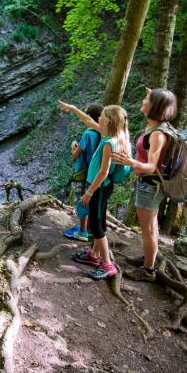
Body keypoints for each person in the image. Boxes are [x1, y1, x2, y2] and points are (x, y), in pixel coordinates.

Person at [59, 101, 132, 280]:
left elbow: (103, 171)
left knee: (96, 227)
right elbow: (88, 121)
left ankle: (107, 264)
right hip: (102, 188)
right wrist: (74, 108)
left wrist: (89, 192)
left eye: (101, 116)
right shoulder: (116, 135)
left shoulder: (109, 143)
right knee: (100, 222)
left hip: (98, 189)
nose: (98, 118)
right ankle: (94, 254)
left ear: (107, 121)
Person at [111, 87, 178, 282]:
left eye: (146, 99)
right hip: (149, 185)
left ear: (154, 106)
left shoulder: (158, 134)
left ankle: (148, 271)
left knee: (148, 229)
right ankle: (149, 258)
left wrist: (130, 162)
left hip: (150, 185)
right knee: (151, 227)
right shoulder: (157, 127)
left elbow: (150, 167)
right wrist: (154, 91)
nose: (143, 101)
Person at [64, 103, 103, 242]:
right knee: (90, 201)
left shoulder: (87, 134)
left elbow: (76, 155)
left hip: (82, 171)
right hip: (95, 173)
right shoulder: (102, 133)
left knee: (81, 200)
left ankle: (82, 231)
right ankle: (89, 229)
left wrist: (73, 145)